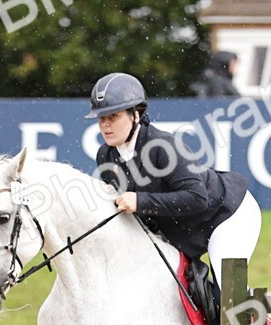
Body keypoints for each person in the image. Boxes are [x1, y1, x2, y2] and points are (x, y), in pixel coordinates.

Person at [86, 72, 261, 272]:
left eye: (113, 116)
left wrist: (141, 201)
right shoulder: (106, 156)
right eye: (101, 118)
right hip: (185, 230)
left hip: (228, 214)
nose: (105, 124)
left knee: (227, 286)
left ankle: (244, 294)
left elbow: (197, 198)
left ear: (136, 115)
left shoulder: (164, 147)